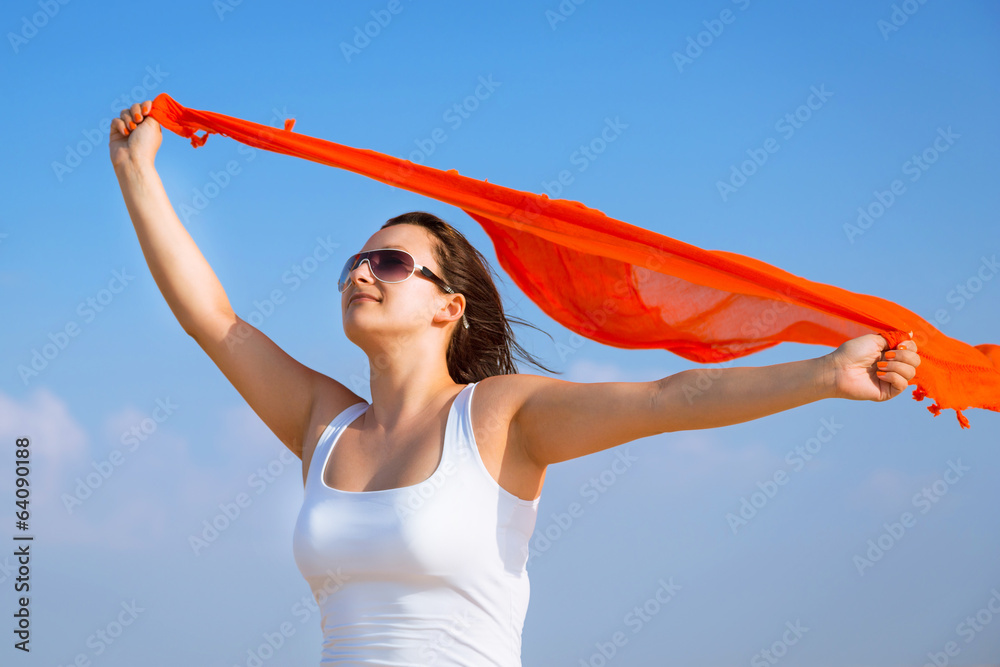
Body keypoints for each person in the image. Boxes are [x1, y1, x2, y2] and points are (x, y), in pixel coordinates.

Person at [110, 100, 921, 666]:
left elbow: (665, 401)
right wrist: (136, 172)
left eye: (389, 261)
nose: (363, 271)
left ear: (448, 307)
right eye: (354, 261)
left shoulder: (498, 418)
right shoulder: (323, 424)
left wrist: (824, 373)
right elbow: (214, 321)